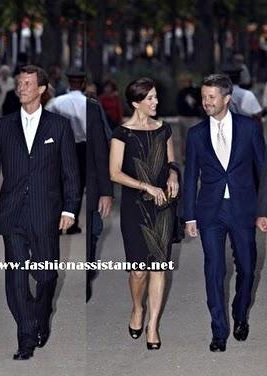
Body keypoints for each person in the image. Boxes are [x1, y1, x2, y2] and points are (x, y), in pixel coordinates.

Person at [0, 65, 80, 360]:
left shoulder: (59, 126)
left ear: (42, 89)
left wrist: (71, 209)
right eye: (19, 83)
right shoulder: (3, 126)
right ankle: (25, 335)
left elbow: (71, 173)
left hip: (46, 213)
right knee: (17, 276)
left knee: (46, 276)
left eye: (28, 84)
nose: (21, 88)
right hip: (12, 214)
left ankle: (41, 315)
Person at [184, 74, 265, 352]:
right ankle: (218, 330)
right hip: (210, 212)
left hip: (242, 208)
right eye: (204, 97)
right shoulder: (195, 134)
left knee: (246, 266)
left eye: (211, 97)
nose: (205, 102)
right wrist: (190, 216)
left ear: (226, 99)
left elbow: (263, 170)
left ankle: (240, 314)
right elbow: (190, 175)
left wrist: (263, 210)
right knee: (214, 269)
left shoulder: (249, 128)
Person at [109, 77, 179, 350]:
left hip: (162, 205)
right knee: (139, 271)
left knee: (159, 267)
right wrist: (145, 185)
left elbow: (172, 161)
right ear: (136, 102)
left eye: (156, 97)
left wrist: (173, 175)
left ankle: (153, 326)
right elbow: (114, 172)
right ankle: (137, 308)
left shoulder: (164, 129)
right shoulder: (122, 132)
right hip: (135, 206)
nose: (156, 102)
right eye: (150, 98)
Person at [46, 68, 87, 234]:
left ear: (69, 82)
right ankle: (72, 222)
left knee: (58, 184)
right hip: (82, 147)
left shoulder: (57, 102)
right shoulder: (89, 104)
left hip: (60, 146)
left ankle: (56, 222)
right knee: (77, 185)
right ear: (83, 83)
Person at [86, 97, 113, 302]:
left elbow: (101, 150)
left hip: (92, 182)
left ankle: (88, 271)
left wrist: (106, 191)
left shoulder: (92, 108)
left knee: (93, 229)